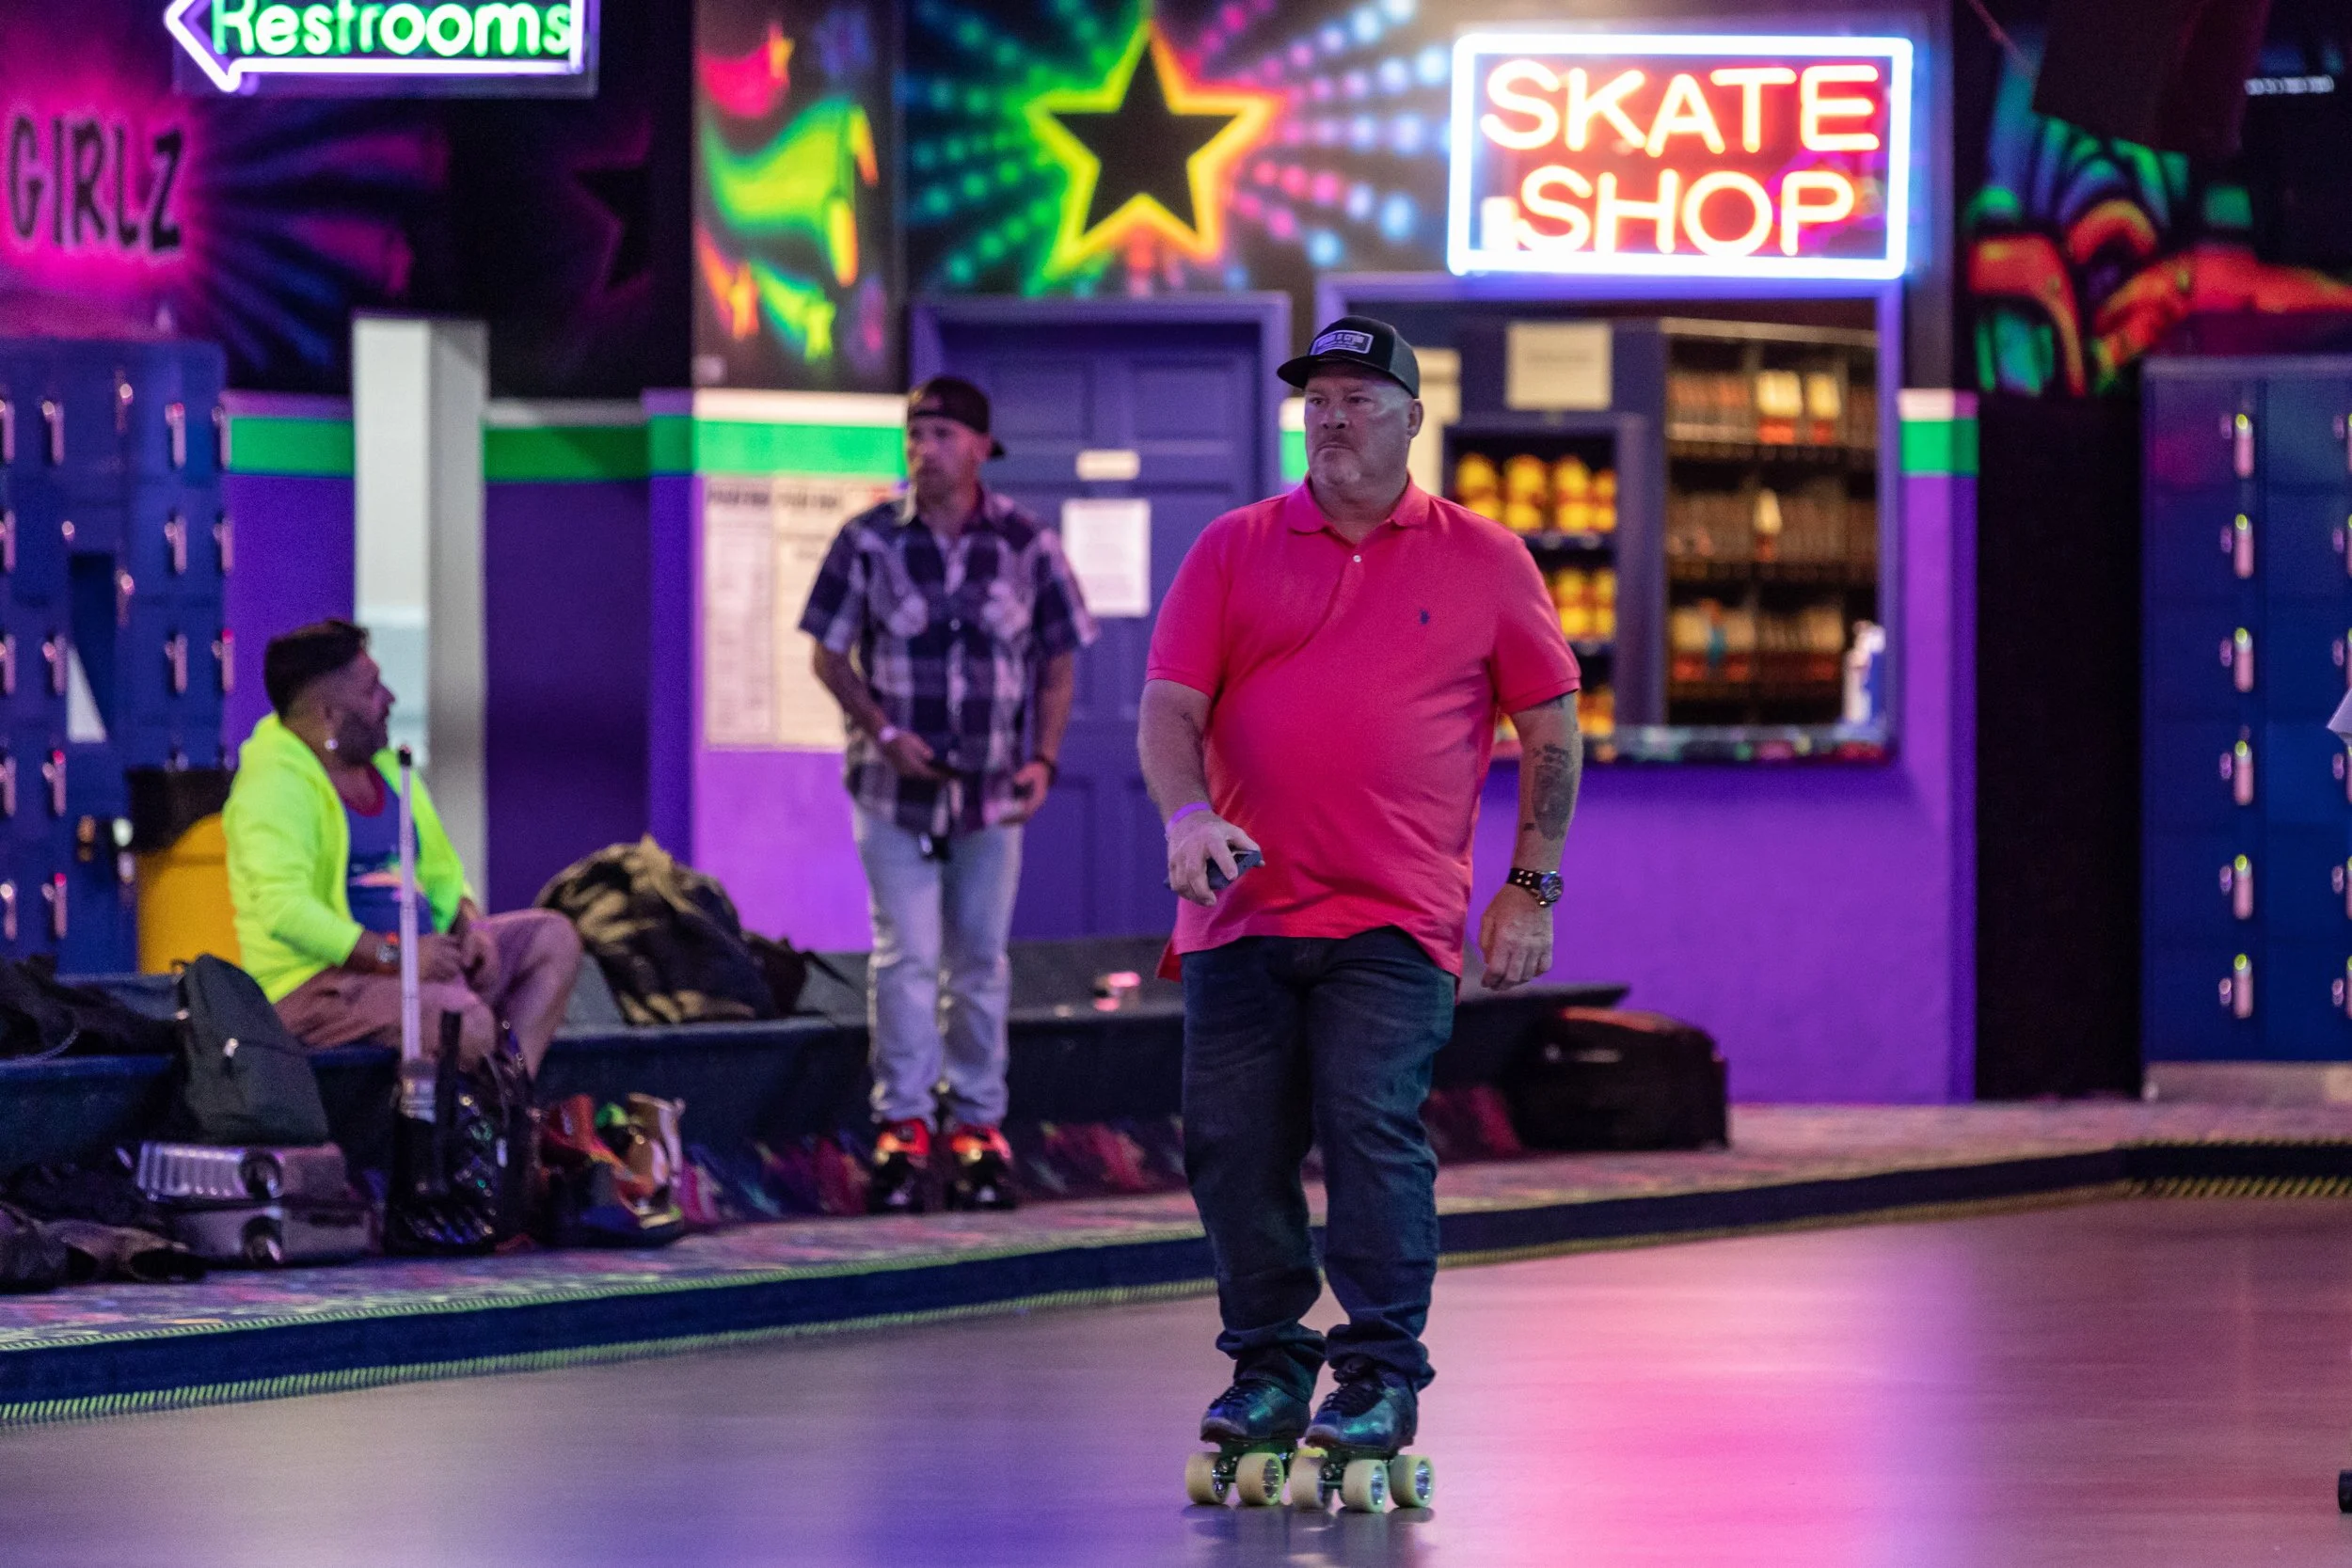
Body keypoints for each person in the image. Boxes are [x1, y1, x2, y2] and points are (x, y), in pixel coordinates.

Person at [1138, 317, 1582, 1465]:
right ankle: (1269, 1366)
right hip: (1240, 908)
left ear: (1412, 418)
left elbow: (1551, 731)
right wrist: (1188, 816)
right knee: (1232, 1139)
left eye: (1357, 397)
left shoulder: (1485, 558)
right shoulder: (1233, 546)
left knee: (1369, 1126)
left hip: (1396, 911)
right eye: (1317, 398)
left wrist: (1529, 887)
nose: (1331, 417)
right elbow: (1169, 710)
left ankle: (1380, 1375)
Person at [801, 376, 1098, 1213]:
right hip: (891, 789)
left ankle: (978, 1127)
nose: (921, 448)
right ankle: (901, 1126)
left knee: (978, 963)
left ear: (978, 447)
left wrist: (1043, 758)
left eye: (938, 434)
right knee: (903, 958)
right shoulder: (865, 541)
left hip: (993, 793)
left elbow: (1060, 662)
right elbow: (827, 655)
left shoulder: (1026, 543)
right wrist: (885, 730)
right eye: (913, 433)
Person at [223, 620, 583, 1074]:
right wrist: (397, 957)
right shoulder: (273, 786)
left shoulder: (389, 769)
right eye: (372, 690)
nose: (390, 699)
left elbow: (441, 873)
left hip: (414, 970)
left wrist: (469, 926)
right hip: (318, 989)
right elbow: (285, 911)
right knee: (464, 1022)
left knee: (554, 939)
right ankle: (485, 1106)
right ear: (328, 714)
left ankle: (507, 1096)